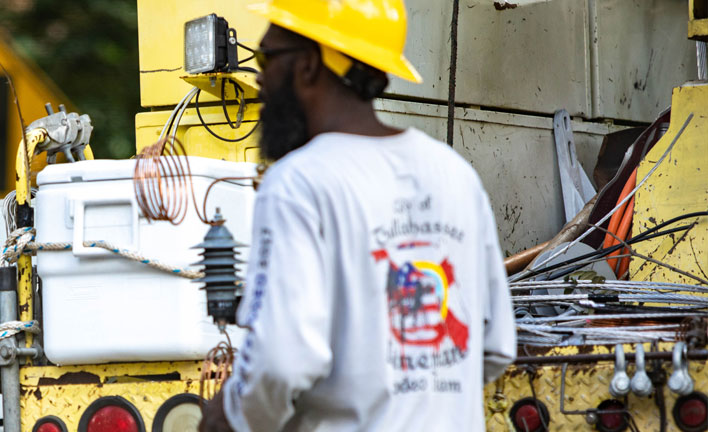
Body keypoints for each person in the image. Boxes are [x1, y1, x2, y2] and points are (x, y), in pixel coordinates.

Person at [200, 0, 516, 430]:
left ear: (309, 65)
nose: (260, 78)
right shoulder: (454, 173)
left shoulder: (298, 183)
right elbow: (495, 347)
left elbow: (282, 360)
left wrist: (232, 414)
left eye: (266, 58)